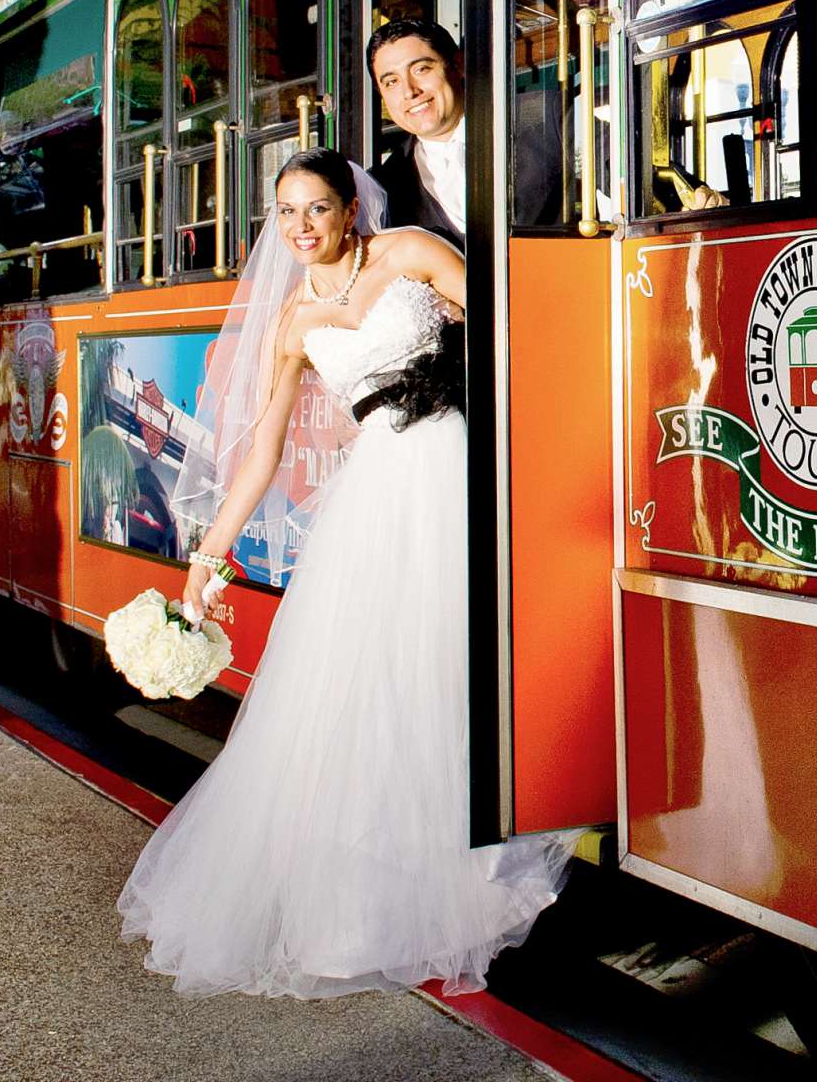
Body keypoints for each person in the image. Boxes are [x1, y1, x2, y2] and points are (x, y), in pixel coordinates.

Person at [116, 148, 569, 997]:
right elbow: (259, 453)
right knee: (376, 690)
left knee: (458, 673)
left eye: (316, 209)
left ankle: (481, 861)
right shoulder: (290, 319)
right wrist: (206, 563)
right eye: (285, 214)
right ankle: (373, 909)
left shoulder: (408, 253)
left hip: (462, 467)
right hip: (378, 497)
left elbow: (517, 326)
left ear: (349, 209)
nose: (301, 228)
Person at [367, 18, 467, 248]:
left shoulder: (545, 118)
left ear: (458, 65)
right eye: (392, 82)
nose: (410, 91)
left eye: (421, 69)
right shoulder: (381, 187)